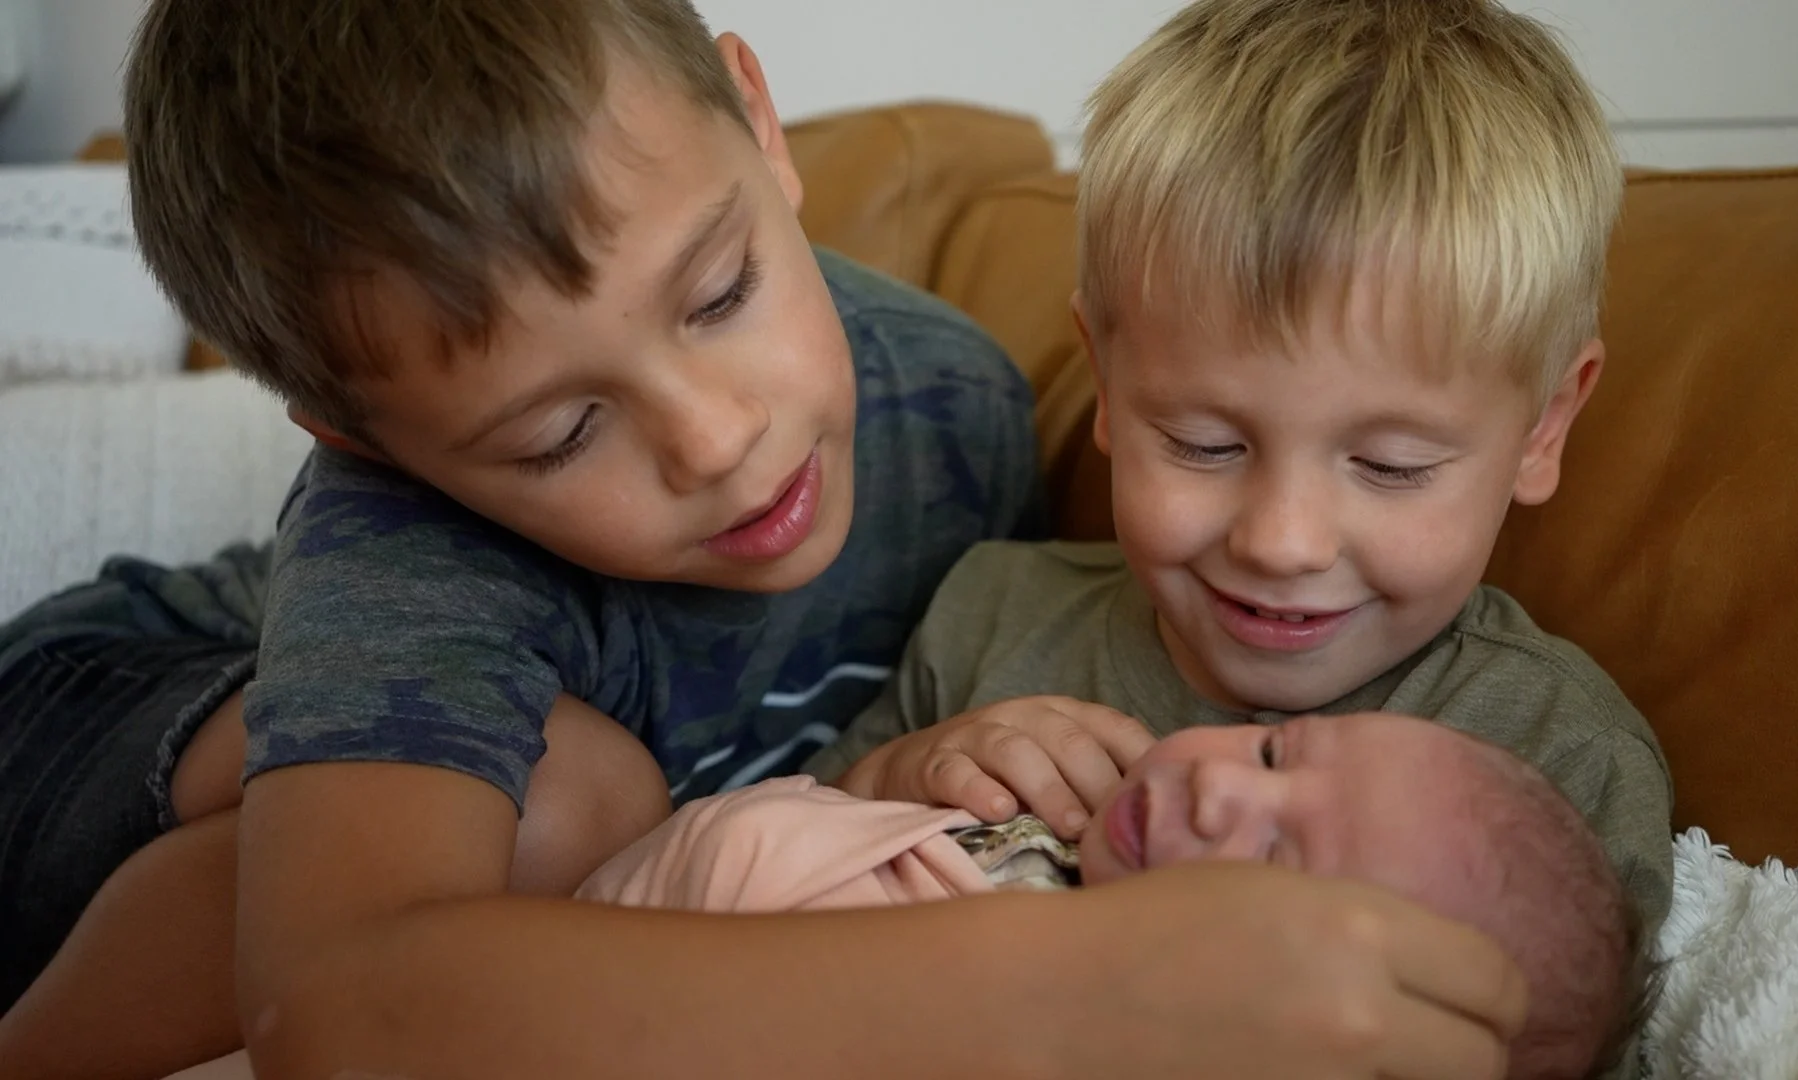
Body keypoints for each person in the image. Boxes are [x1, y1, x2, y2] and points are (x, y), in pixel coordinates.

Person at [0, 2, 1527, 1079]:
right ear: (358, 438)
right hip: (95, 720)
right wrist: (1053, 994)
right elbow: (340, 1015)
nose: (721, 439)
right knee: (569, 803)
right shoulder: (400, 536)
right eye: (559, 434)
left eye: (722, 293)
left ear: (758, 118)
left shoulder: (950, 401)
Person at [809, 0, 1674, 1066]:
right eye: (1207, 443)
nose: (1283, 540)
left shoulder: (1554, 747)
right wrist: (904, 775)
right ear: (1113, 388)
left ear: (1544, 427)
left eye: (1391, 466)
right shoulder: (991, 616)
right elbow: (767, 870)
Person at [166, 713, 1646, 1080]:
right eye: (1272, 747)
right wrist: (918, 758)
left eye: (1278, 862)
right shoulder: (1047, 814)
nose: (1218, 788)